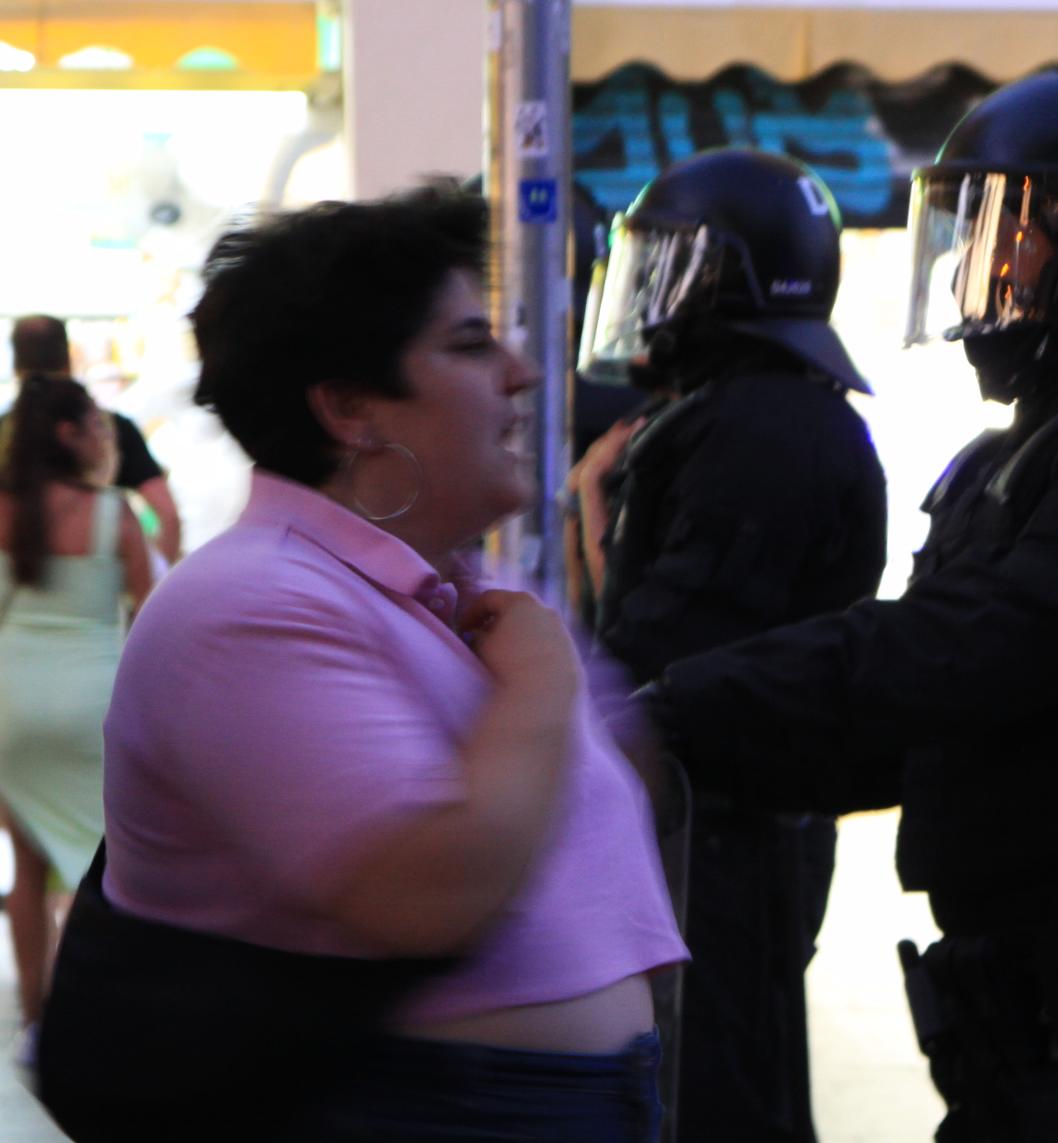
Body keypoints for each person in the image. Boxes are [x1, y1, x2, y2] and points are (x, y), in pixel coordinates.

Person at [639, 67, 1058, 1142]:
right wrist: (691, 749)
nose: (971, 266)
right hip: (1014, 1036)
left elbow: (961, 654)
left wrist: (671, 708)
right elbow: (918, 735)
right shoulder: (1026, 455)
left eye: (1009, 233)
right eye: (969, 231)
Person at [35, 187, 686, 1139]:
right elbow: (430, 892)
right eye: (469, 344)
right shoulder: (249, 608)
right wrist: (542, 681)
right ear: (348, 407)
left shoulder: (445, 593)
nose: (522, 373)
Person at [571, 148, 888, 1143]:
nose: (648, 294)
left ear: (728, 281)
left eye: (672, 265)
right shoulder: (749, 414)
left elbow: (670, 650)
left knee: (708, 1096)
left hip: (724, 836)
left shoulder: (761, 428)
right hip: (719, 828)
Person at [0, 374, 152, 1033]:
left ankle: (35, 1010)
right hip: (93, 696)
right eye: (95, 423)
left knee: (29, 860)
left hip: (13, 693)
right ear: (69, 434)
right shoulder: (116, 514)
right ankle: (89, 1004)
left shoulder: (5, 509)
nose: (103, 434)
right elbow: (150, 619)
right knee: (98, 860)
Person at [9, 316, 183, 563]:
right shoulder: (106, 427)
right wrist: (153, 582)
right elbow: (169, 515)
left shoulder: (7, 430)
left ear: (16, 365)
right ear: (68, 361)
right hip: (101, 591)